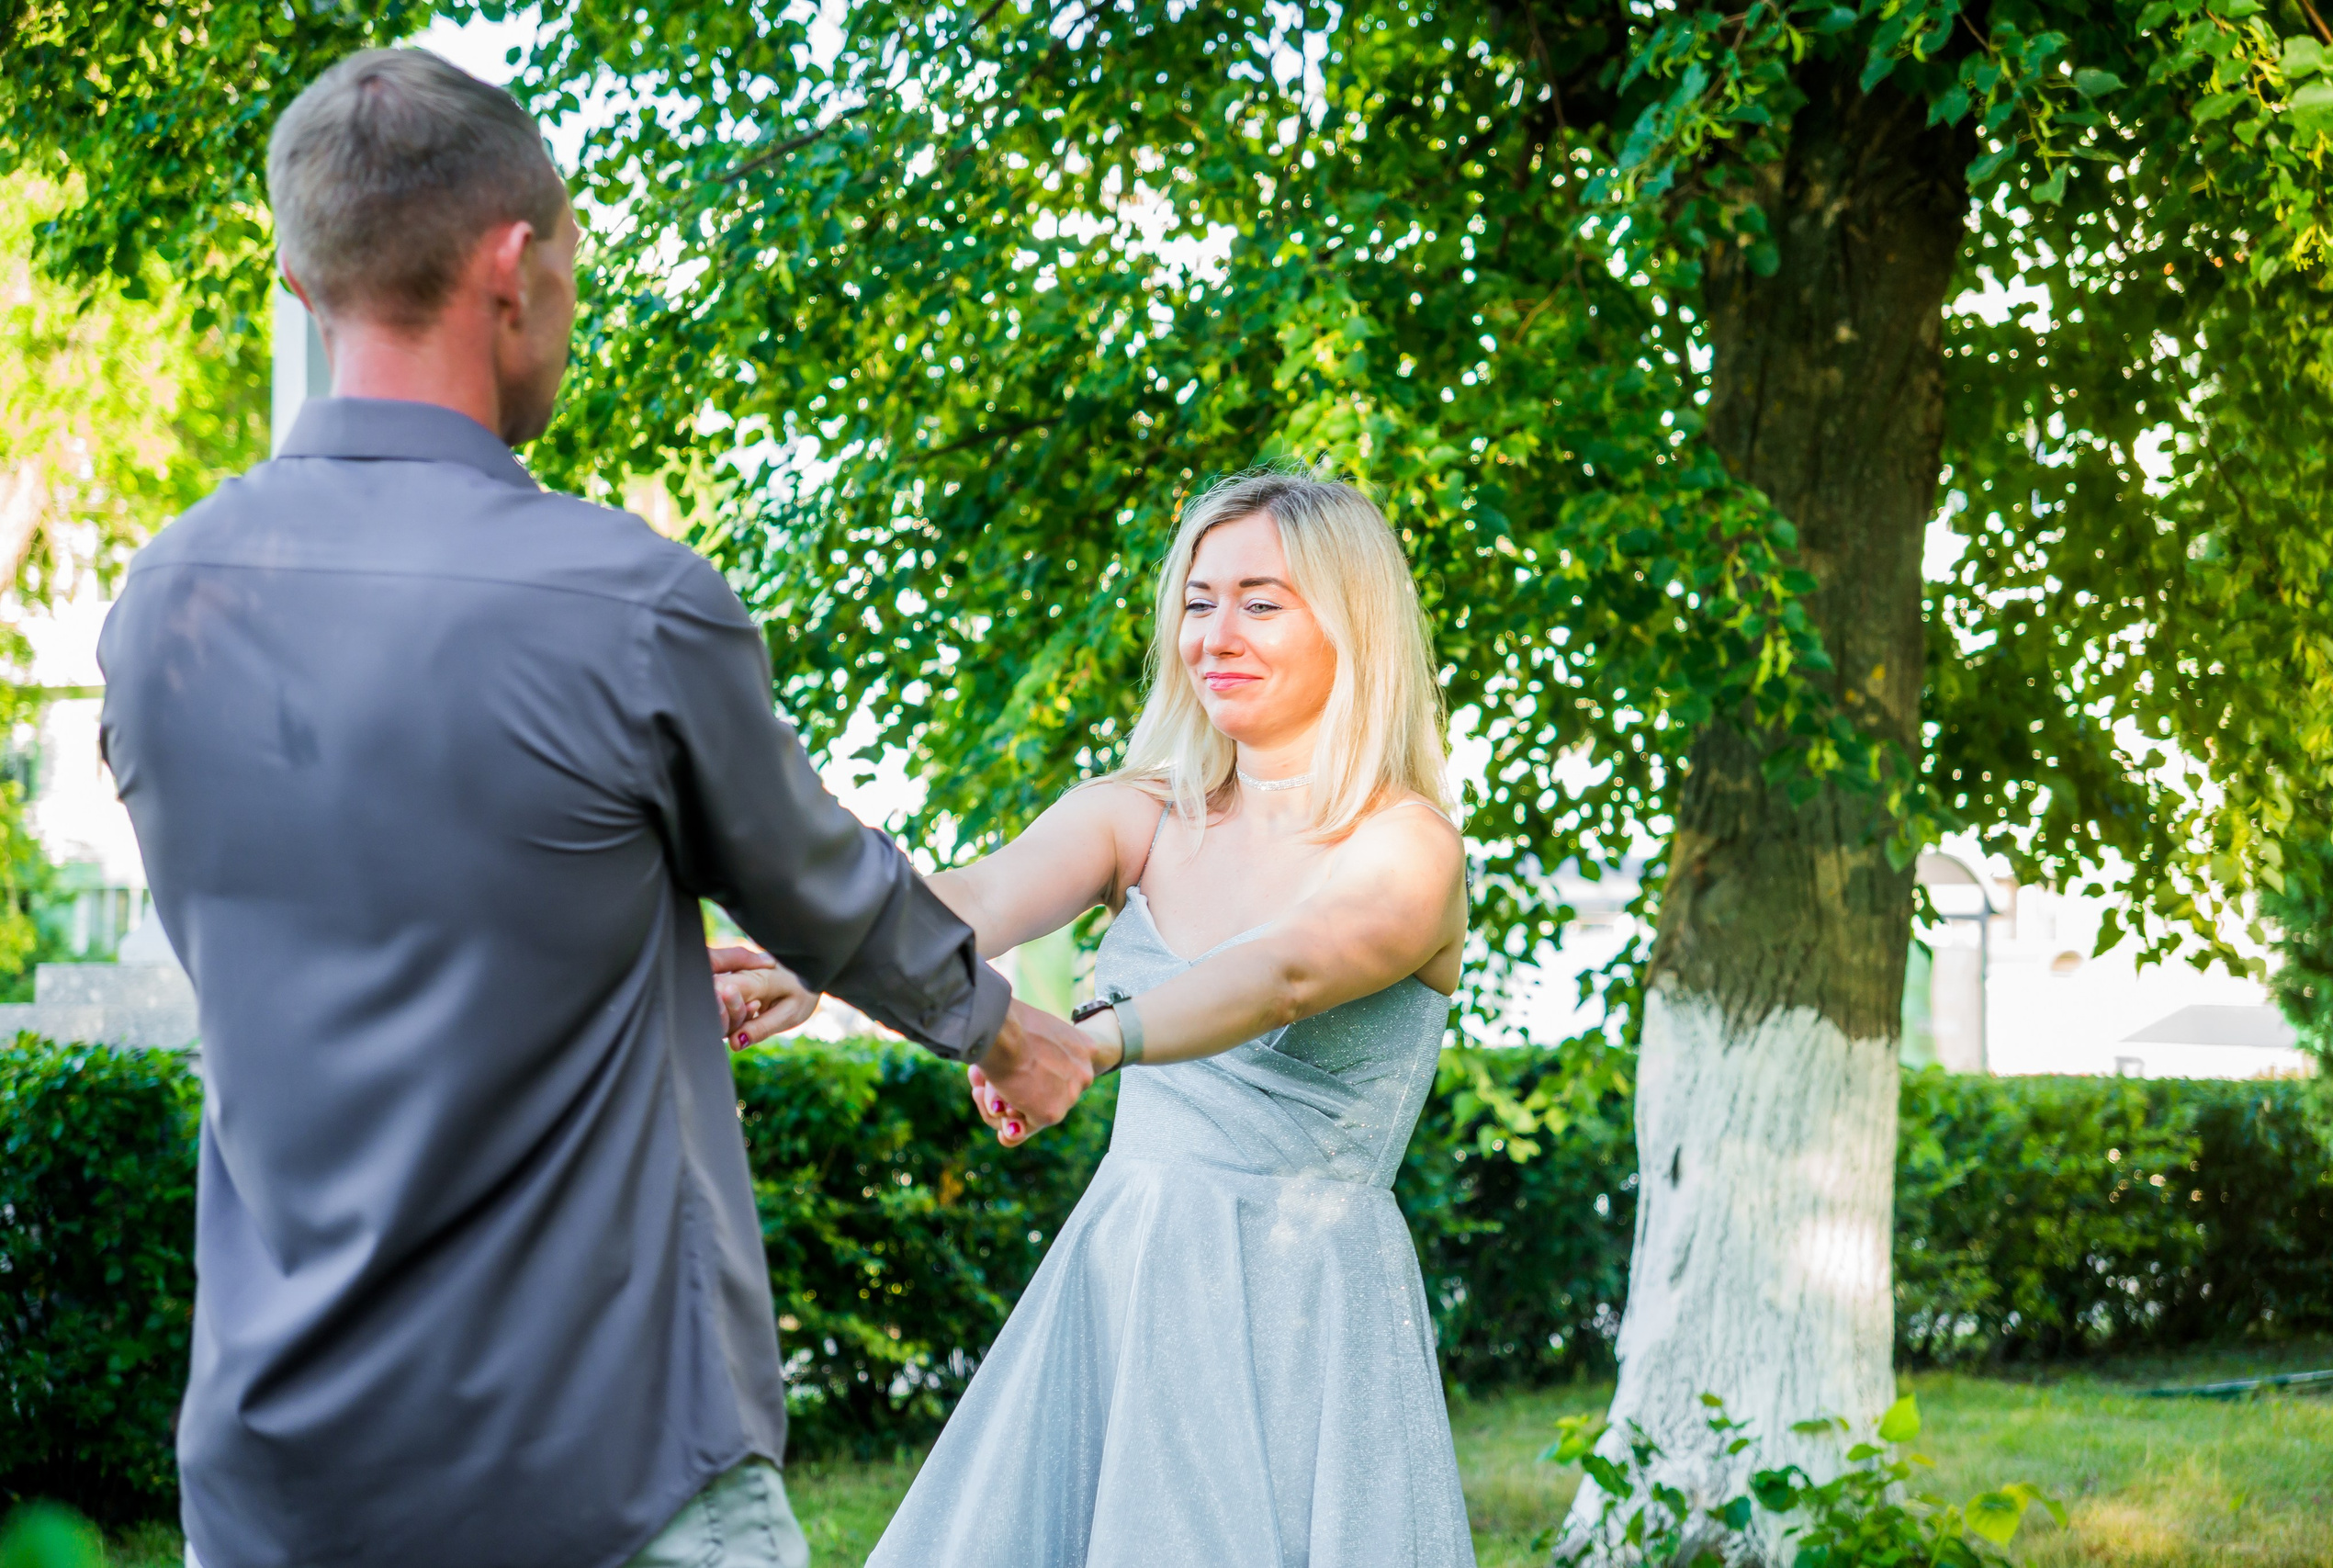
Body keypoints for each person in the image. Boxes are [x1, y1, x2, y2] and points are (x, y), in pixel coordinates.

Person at [96, 48, 1098, 1568]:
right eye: (570, 261)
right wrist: (1006, 1026)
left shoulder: (160, 605)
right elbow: (821, 889)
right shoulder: (623, 599)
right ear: (513, 262)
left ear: (303, 282)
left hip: (285, 1475)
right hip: (613, 1460)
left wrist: (599, 966)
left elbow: (344, 916)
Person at [720, 470, 1481, 1565]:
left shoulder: (1409, 845)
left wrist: (1094, 1040)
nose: (1214, 634)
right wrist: (814, 965)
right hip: (1129, 1283)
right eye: (1197, 600)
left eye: (1261, 602)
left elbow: (1289, 973)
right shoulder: (1137, 814)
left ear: (1351, 625)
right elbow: (972, 900)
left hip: (1308, 1311)